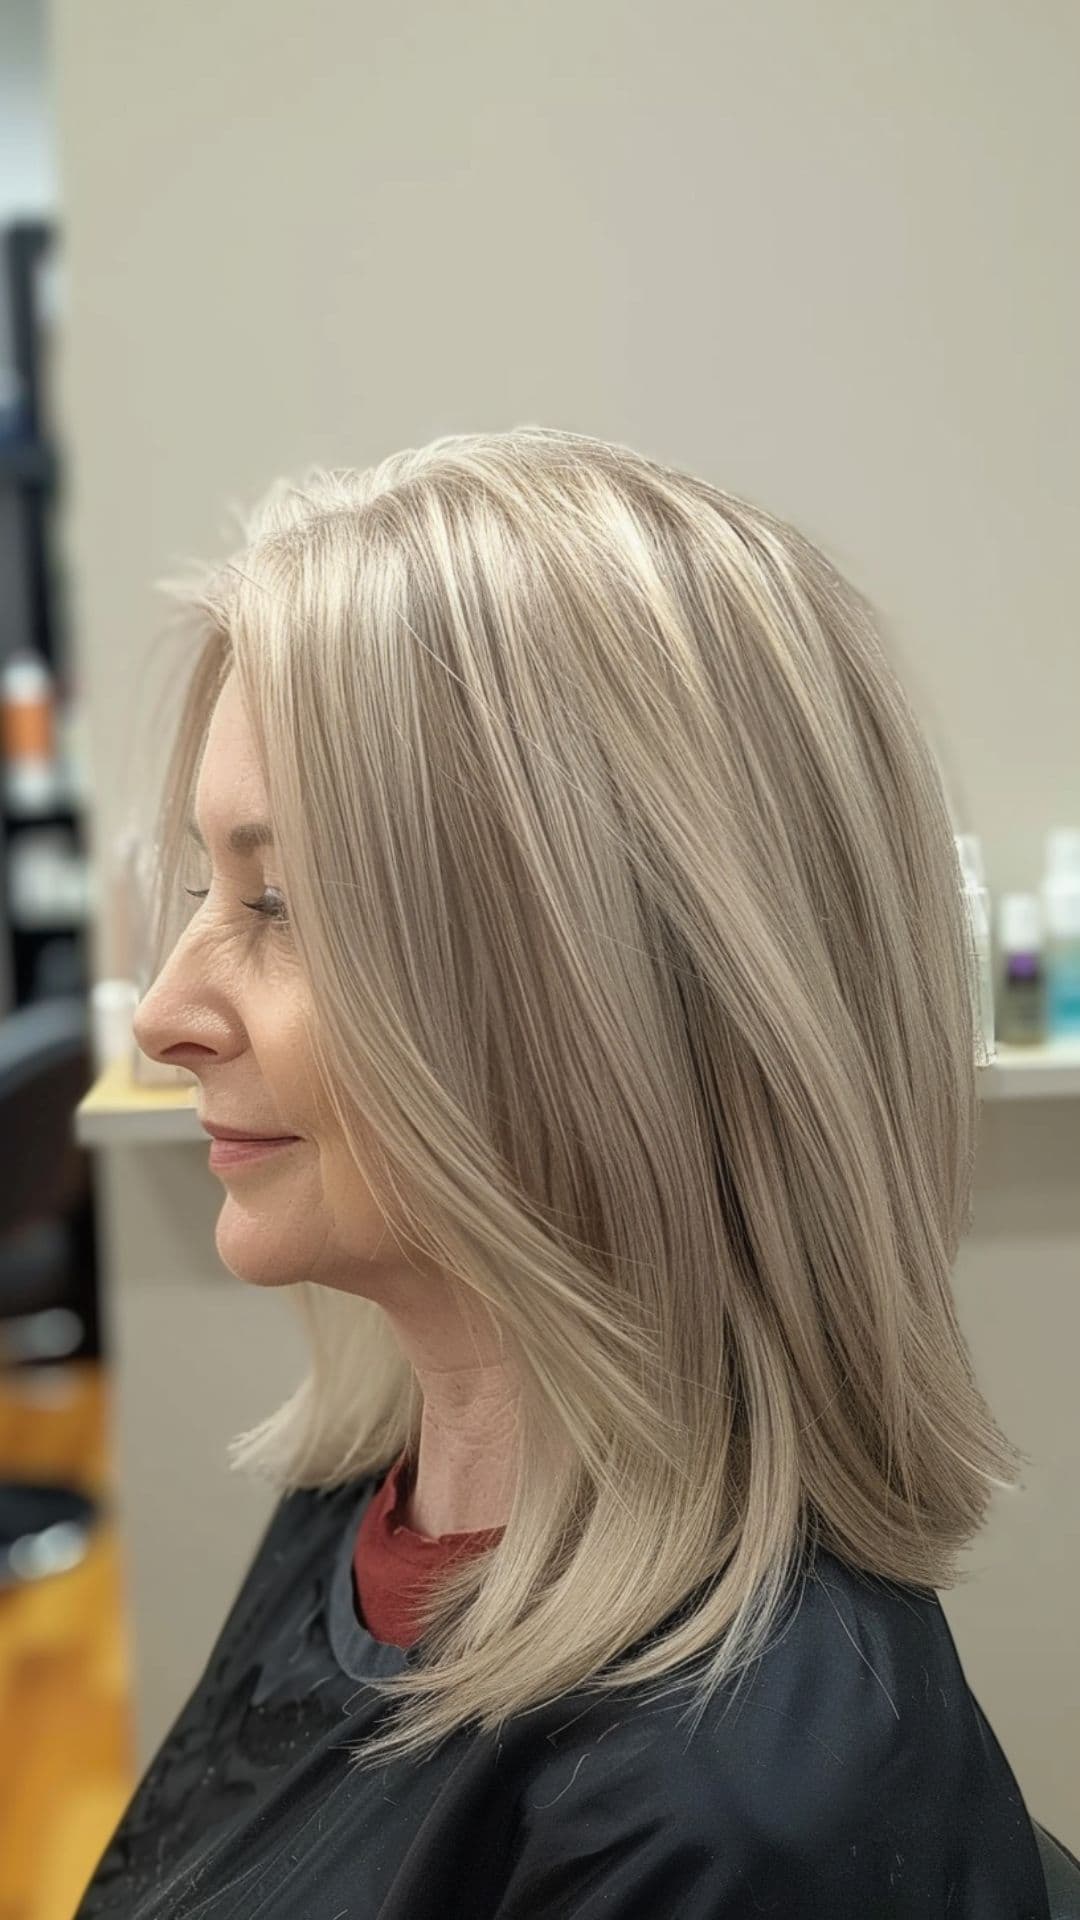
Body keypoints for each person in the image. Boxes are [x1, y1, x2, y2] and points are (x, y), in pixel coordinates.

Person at [76, 427, 1051, 1917]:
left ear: (591, 999)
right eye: (209, 889)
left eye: (279, 903)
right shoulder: (377, 1494)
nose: (165, 1014)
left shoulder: (723, 1819)